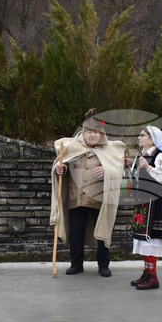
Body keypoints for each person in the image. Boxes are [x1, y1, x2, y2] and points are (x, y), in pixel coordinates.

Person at [51, 109, 126, 277]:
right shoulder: (71, 147)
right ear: (83, 132)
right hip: (76, 197)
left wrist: (107, 170)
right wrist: (59, 169)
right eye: (89, 132)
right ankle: (76, 264)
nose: (93, 135)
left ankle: (103, 265)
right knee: (76, 232)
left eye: (96, 132)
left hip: (100, 199)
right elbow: (60, 167)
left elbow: (118, 169)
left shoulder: (109, 149)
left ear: (101, 133)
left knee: (103, 232)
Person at [127, 125, 162, 290]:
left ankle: (153, 276)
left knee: (151, 237)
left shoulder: (158, 156)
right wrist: (128, 167)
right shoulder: (141, 155)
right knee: (143, 238)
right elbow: (136, 178)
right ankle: (147, 272)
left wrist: (147, 166)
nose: (139, 138)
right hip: (142, 201)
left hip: (154, 202)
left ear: (152, 139)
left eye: (142, 135)